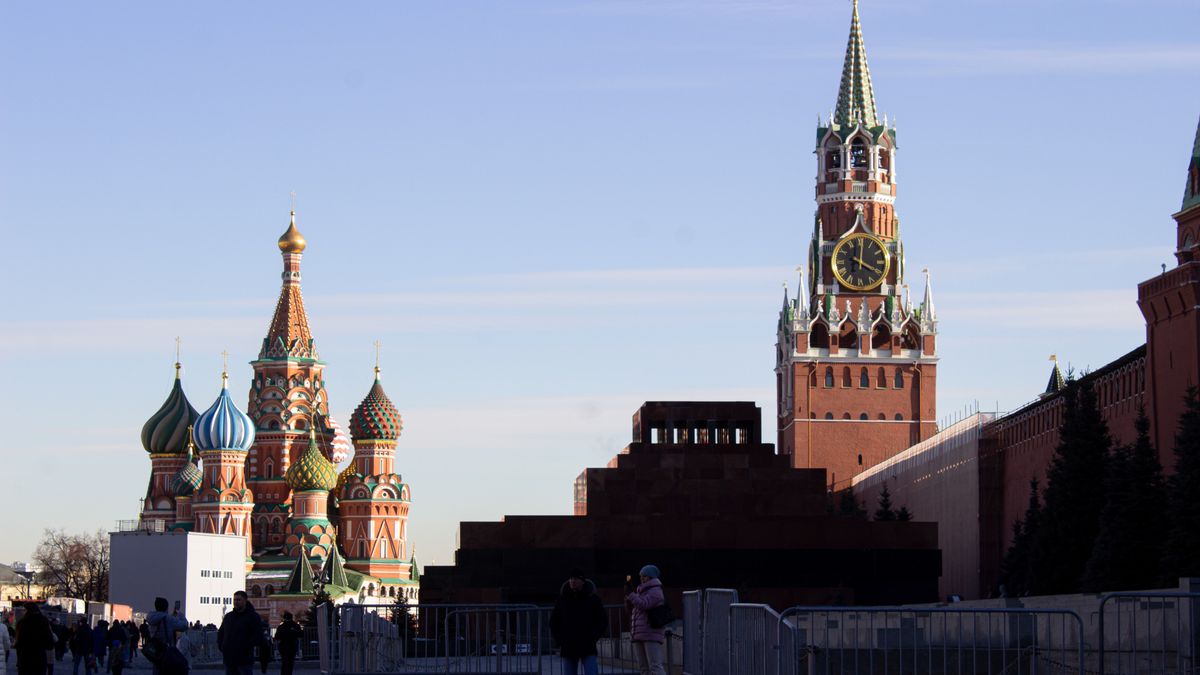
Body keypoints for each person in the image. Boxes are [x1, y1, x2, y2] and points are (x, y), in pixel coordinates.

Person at [549, 568, 607, 675]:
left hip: (587, 644)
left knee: (591, 672)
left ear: (582, 581)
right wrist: (560, 640)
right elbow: (553, 622)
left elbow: (602, 620)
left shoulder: (593, 599)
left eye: (575, 579)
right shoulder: (563, 600)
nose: (572, 581)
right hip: (568, 645)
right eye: (571, 578)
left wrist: (593, 636)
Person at [625, 565, 667, 675]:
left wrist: (632, 595)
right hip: (638, 632)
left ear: (652, 577)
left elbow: (644, 604)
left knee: (655, 666)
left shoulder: (656, 591)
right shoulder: (641, 591)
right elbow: (634, 611)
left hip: (650, 632)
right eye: (641, 576)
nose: (642, 578)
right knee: (644, 668)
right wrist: (629, 600)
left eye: (645, 576)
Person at [217, 592, 265, 675]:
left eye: (239, 600)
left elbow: (258, 635)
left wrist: (246, 647)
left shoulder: (253, 617)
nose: (236, 602)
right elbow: (221, 632)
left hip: (244, 659)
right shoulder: (229, 616)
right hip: (229, 659)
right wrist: (222, 646)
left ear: (245, 601)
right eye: (235, 600)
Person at [146, 598, 189, 675]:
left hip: (155, 650)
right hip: (166, 651)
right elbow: (184, 626)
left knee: (156, 669)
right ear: (166, 607)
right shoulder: (167, 619)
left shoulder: (151, 617)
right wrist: (179, 614)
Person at [14, 605, 55, 675]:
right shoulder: (43, 621)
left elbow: (18, 643)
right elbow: (50, 643)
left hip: (25, 659)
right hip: (39, 658)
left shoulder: (23, 622)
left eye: (24, 610)